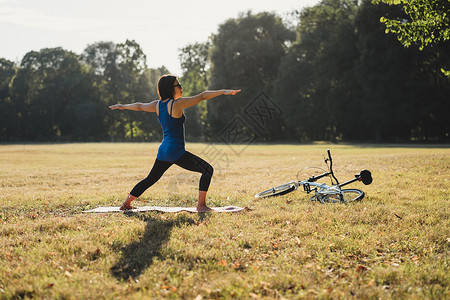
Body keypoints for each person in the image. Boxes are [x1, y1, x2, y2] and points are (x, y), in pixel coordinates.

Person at [109, 74, 241, 211]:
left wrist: (123, 106)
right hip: (175, 151)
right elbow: (202, 96)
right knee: (207, 170)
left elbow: (140, 106)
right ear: (170, 88)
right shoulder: (177, 104)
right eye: (178, 85)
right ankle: (201, 206)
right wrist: (224, 91)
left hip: (164, 151)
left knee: (150, 179)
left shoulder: (157, 105)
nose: (181, 87)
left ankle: (126, 203)